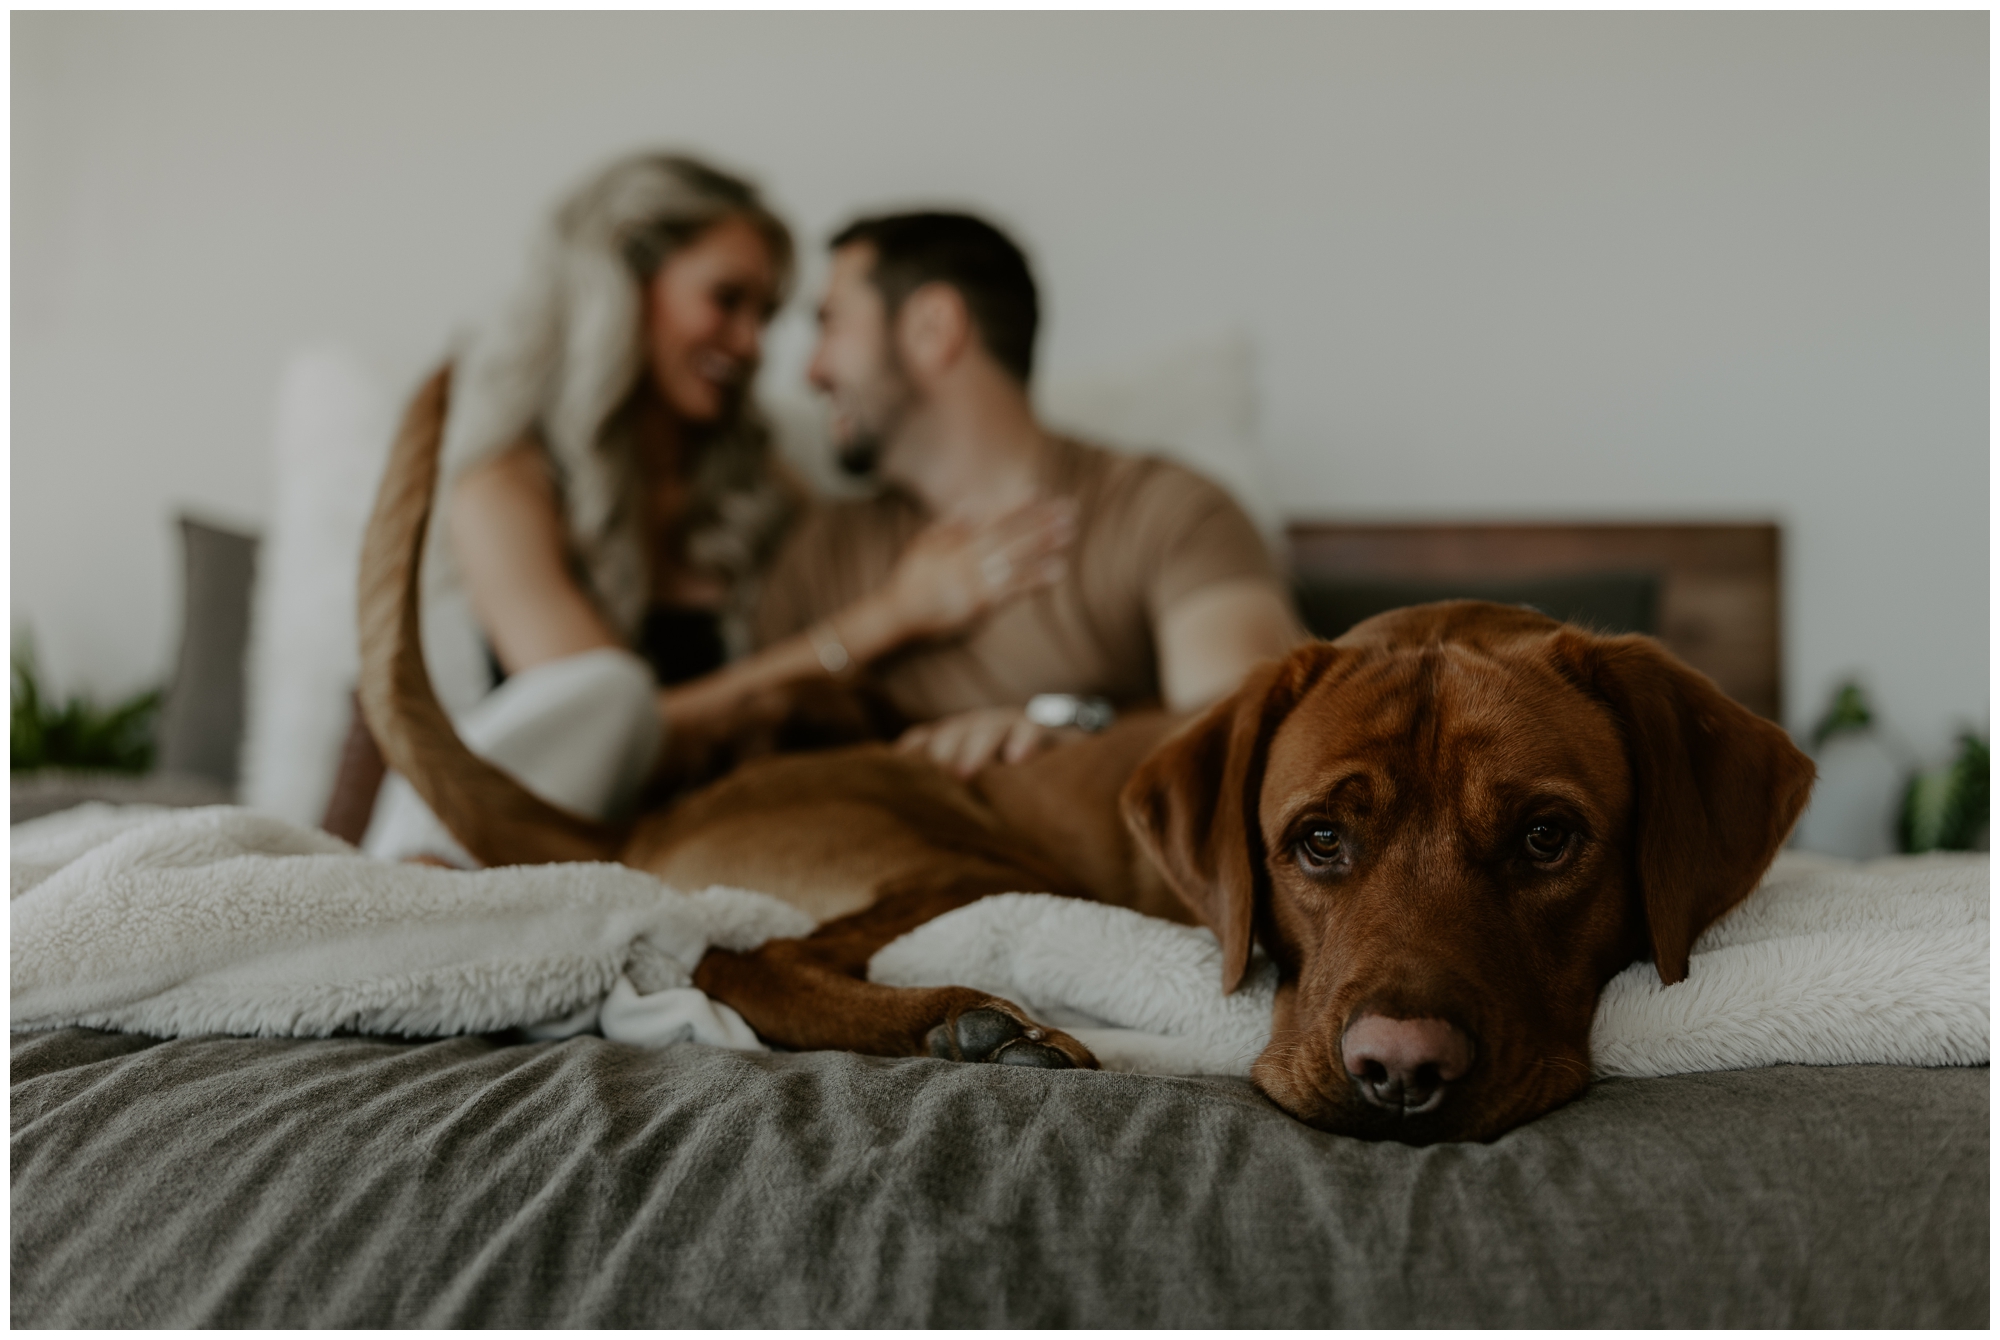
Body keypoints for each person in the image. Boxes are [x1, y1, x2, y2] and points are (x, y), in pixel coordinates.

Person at [362, 157, 1069, 863]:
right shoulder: (504, 487)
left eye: (764, 314)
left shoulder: (761, 485)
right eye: (727, 300)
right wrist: (889, 617)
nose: (752, 344)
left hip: (713, 839)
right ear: (622, 286)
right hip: (540, 836)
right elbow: (609, 729)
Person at [756, 211, 1303, 777]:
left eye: (830, 325)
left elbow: (1252, 752)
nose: (811, 372)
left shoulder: (1170, 513)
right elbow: (712, 741)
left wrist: (1075, 738)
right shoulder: (816, 553)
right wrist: (892, 616)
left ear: (932, 327)